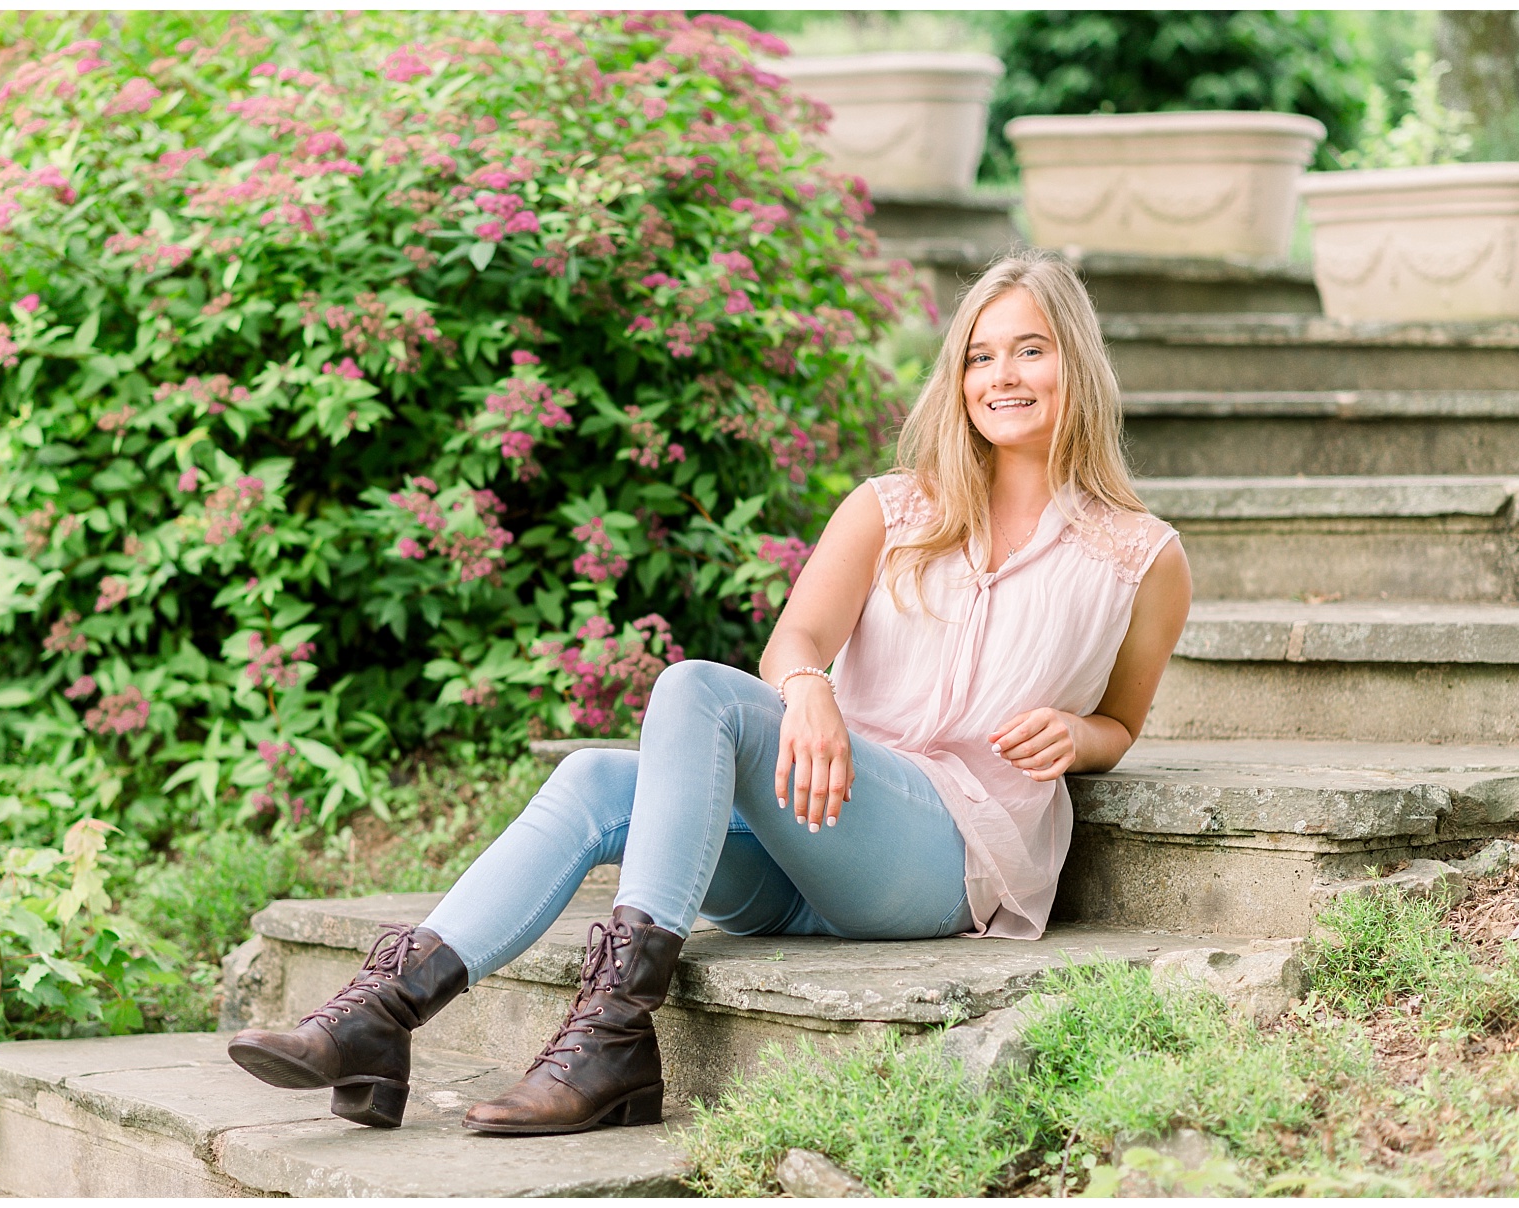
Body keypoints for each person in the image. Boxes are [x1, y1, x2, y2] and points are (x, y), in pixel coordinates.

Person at [226, 248, 1193, 1137]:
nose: (1003, 377)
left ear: (1080, 365)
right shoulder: (895, 508)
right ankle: (383, 1015)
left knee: (696, 689)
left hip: (948, 852)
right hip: (819, 821)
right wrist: (808, 688)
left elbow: (1122, 722)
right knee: (600, 782)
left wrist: (1079, 733)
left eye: (1031, 350)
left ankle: (609, 1039)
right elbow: (798, 641)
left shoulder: (1140, 556)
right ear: (959, 379)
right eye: (982, 357)